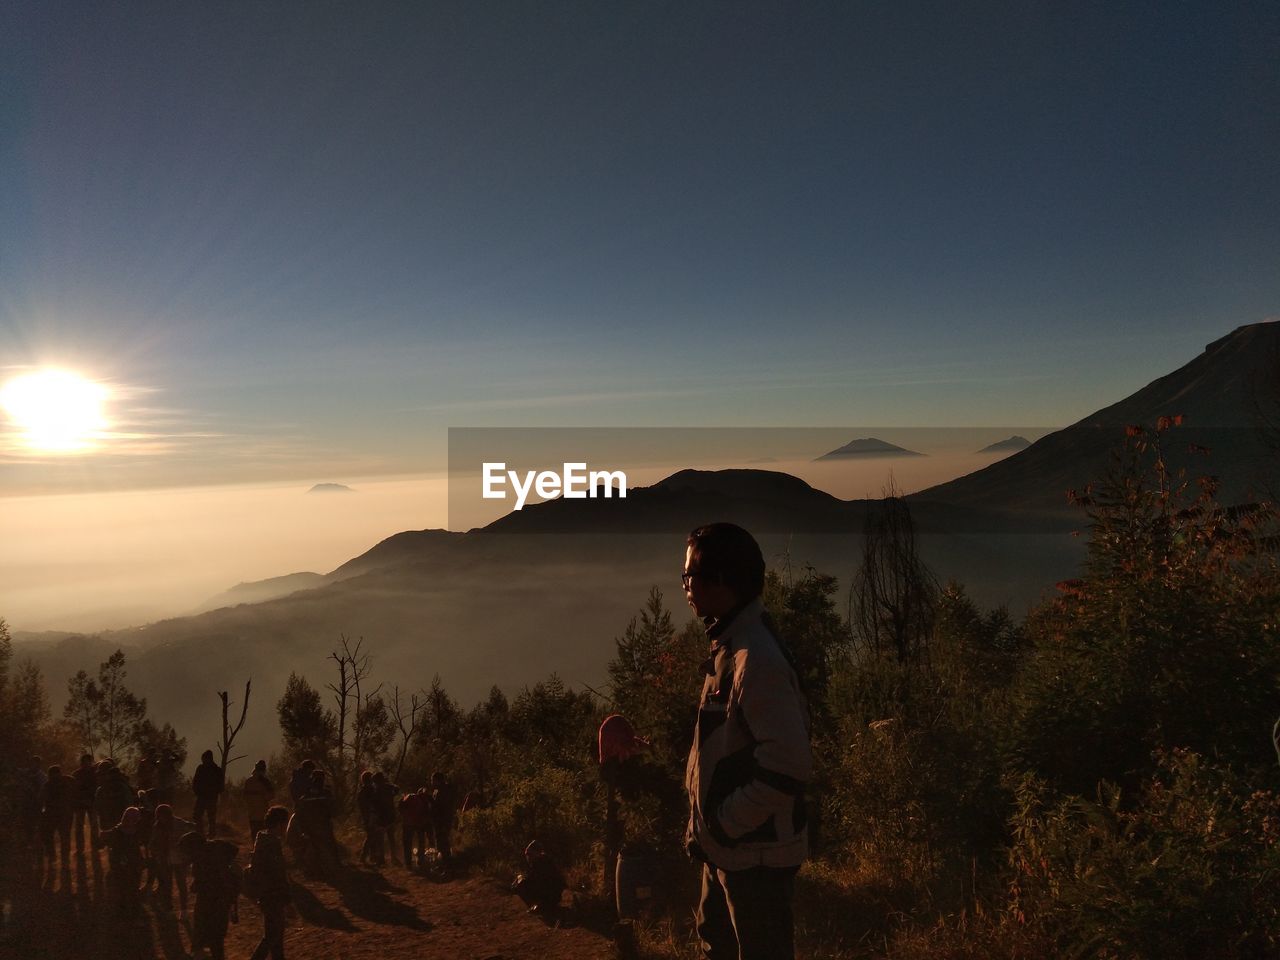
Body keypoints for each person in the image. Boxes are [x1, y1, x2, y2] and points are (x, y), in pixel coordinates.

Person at [682, 523, 812, 960]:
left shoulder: (756, 660)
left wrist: (723, 824)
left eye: (689, 577)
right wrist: (705, 830)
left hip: (754, 860)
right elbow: (720, 750)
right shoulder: (732, 647)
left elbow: (789, 765)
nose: (684, 586)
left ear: (719, 581)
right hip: (729, 852)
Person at [182, 831, 240, 960]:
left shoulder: (202, 858)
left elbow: (204, 880)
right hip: (220, 899)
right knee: (216, 936)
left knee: (209, 934)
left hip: (211, 900)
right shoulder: (215, 848)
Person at [249, 805, 292, 960]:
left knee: (276, 937)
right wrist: (287, 899)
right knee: (272, 936)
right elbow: (277, 875)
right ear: (280, 824)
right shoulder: (271, 845)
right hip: (273, 896)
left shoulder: (264, 840)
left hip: (268, 895)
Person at [99, 806, 146, 916]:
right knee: (122, 884)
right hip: (121, 861)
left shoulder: (135, 830)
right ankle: (123, 907)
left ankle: (133, 906)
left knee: (133, 883)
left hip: (133, 860)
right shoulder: (118, 831)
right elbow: (105, 842)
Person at [512, 839, 565, 920]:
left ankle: (538, 906)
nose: (527, 857)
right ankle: (539, 905)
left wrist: (520, 880)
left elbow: (535, 881)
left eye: (529, 854)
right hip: (553, 896)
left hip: (550, 896)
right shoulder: (545, 861)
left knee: (521, 884)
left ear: (536, 853)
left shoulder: (541, 864)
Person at [38, 764, 73, 872]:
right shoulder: (67, 781)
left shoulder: (49, 784)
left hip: (57, 815)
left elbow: (41, 800)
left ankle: (57, 859)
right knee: (61, 839)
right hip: (59, 815)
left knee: (56, 838)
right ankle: (61, 860)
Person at [94, 760, 134, 843]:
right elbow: (98, 809)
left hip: (120, 823)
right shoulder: (101, 789)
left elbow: (128, 805)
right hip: (110, 822)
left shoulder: (121, 787)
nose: (100, 777)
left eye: (103, 774)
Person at [70, 753, 98, 855]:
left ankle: (95, 846)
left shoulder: (95, 773)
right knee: (79, 827)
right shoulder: (76, 774)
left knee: (93, 826)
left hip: (91, 803)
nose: (86, 764)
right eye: (84, 762)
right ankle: (80, 848)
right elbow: (73, 790)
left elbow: (96, 789)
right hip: (80, 804)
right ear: (82, 763)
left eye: (88, 762)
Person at [192, 750, 225, 836]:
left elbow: (221, 785)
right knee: (198, 815)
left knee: (211, 817)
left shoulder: (216, 770)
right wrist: (197, 791)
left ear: (208, 759)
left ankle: (210, 833)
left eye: (204, 759)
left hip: (210, 797)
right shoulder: (201, 768)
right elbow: (195, 782)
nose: (203, 760)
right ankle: (200, 832)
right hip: (203, 796)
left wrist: (215, 792)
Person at [428, 771, 456, 869]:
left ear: (437, 780)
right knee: (440, 843)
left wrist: (445, 823)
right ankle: (444, 865)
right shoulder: (438, 790)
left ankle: (447, 866)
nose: (431, 782)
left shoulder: (444, 790)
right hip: (438, 821)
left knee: (443, 843)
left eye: (432, 780)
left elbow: (444, 808)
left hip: (443, 821)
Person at [372, 772, 400, 865]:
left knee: (381, 840)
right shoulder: (388, 788)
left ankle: (382, 859)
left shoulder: (376, 790)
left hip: (381, 818)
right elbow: (397, 789)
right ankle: (393, 858)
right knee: (391, 839)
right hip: (389, 816)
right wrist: (390, 785)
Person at [243, 760, 275, 837]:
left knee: (254, 835)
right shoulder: (265, 782)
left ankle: (255, 847)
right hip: (263, 813)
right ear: (264, 769)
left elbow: (244, 797)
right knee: (263, 836)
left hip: (252, 813)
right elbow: (271, 796)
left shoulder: (248, 781)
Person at [399, 787, 430, 869]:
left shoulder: (411, 796)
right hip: (415, 823)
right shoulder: (423, 801)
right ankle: (419, 860)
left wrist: (404, 816)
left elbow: (401, 805)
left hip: (409, 823)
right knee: (420, 841)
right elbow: (426, 815)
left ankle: (409, 862)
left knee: (409, 842)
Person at [356, 771, 381, 865]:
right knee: (371, 836)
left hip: (367, 816)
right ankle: (364, 857)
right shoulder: (368, 790)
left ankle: (372, 857)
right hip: (370, 815)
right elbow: (371, 803)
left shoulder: (363, 790)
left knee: (372, 836)